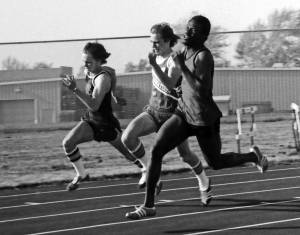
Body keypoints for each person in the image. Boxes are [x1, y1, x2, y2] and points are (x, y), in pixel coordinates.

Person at [125, 15, 268, 219]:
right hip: (183, 113)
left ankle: (253, 156)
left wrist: (181, 67)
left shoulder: (203, 56)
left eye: (193, 30)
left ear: (204, 36)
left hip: (204, 118)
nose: (188, 32)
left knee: (216, 162)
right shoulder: (183, 51)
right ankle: (149, 206)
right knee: (156, 150)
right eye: (188, 28)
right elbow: (174, 81)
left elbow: (202, 90)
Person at [121, 23, 210, 203]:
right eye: (151, 42)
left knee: (185, 155)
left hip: (174, 116)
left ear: (168, 41)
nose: (154, 46)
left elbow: (169, 83)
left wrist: (154, 65)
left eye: (157, 42)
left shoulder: (174, 60)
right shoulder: (156, 57)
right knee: (127, 137)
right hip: (154, 111)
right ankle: (149, 170)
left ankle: (204, 181)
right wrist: (154, 63)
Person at [62, 42, 144, 191]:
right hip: (91, 120)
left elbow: (94, 105)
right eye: (84, 62)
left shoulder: (102, 78)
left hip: (105, 124)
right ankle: (82, 174)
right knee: (68, 143)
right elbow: (113, 71)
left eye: (89, 62)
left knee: (129, 154)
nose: (85, 65)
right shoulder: (91, 71)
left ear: (99, 61)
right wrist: (114, 94)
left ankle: (150, 175)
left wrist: (75, 90)